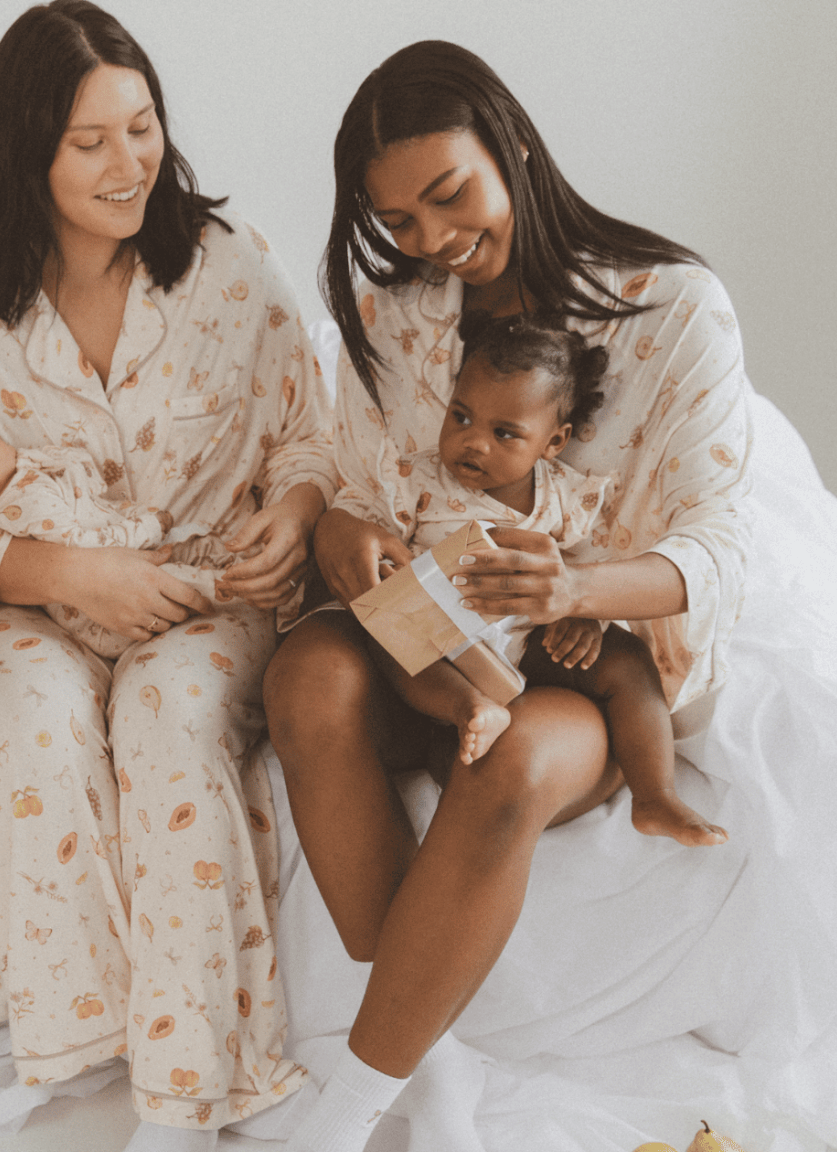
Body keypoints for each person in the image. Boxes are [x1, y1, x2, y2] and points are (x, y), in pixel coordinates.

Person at [261, 40, 751, 1152]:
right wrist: (344, 532)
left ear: (512, 144)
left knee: (514, 757)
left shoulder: (673, 311)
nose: (432, 242)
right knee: (304, 674)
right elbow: (346, 479)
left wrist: (577, 581)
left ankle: (342, 1117)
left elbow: (717, 545)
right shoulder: (398, 315)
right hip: (424, 636)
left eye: (447, 196)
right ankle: (426, 1066)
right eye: (396, 223)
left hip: (580, 654)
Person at [0, 3, 335, 1148]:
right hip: (19, 592)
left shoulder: (229, 271)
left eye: (141, 129)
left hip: (202, 589)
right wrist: (61, 572)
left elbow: (310, 440)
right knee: (30, 719)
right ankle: (84, 1048)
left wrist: (291, 512)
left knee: (165, 718)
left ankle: (187, 1094)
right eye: (89, 141)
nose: (127, 163)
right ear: (24, 145)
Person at [360, 311, 727, 846]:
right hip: (447, 645)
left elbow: (590, 568)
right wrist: (390, 568)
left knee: (628, 661)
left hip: (533, 640)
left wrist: (590, 619)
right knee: (388, 638)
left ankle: (656, 796)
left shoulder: (566, 496)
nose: (473, 442)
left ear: (553, 443)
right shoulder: (414, 480)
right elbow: (382, 548)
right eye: (460, 417)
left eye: (504, 433)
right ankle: (469, 713)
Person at [0, 421, 235, 657]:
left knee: (190, 546)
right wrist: (149, 526)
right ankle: (228, 581)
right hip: (114, 602)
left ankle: (215, 562)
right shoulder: (27, 502)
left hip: (126, 572)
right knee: (189, 578)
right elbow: (88, 549)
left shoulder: (16, 495)